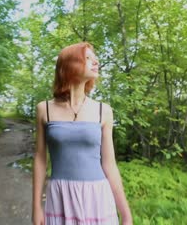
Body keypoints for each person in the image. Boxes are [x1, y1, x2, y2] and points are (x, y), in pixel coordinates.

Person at [31, 42, 133, 225]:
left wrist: (125, 214)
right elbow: (40, 159)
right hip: (60, 198)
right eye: (88, 58)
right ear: (70, 65)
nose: (96, 62)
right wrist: (36, 206)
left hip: (97, 198)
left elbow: (109, 164)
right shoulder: (44, 109)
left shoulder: (104, 111)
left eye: (96, 59)